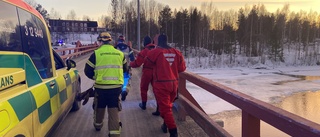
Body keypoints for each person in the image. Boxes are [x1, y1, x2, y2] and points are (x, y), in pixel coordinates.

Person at [84, 32, 128, 137]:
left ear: (100, 41)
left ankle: (98, 125)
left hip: (101, 88)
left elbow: (87, 70)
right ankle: (114, 133)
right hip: (115, 88)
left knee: (100, 106)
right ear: (110, 41)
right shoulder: (119, 54)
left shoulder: (96, 54)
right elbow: (125, 69)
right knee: (113, 109)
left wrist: (96, 77)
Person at [146, 34, 186, 137]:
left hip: (161, 84)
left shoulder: (155, 52)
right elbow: (182, 68)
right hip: (173, 85)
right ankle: (165, 125)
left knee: (165, 109)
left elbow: (147, 64)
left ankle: (174, 132)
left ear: (158, 42)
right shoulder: (177, 52)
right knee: (168, 107)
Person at [129, 36, 158, 113]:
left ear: (145, 42)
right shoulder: (157, 50)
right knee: (157, 89)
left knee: (144, 88)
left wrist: (130, 64)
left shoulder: (144, 51)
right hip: (156, 72)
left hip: (147, 71)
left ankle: (144, 104)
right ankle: (159, 107)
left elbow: (137, 63)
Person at [116, 35, 135, 101]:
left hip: (117, 69)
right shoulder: (128, 48)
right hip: (126, 68)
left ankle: (118, 93)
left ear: (118, 41)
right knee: (126, 81)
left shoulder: (115, 48)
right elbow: (132, 59)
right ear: (124, 41)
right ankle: (124, 91)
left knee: (117, 81)